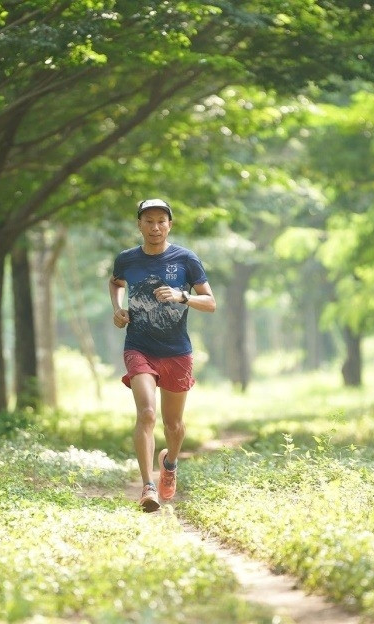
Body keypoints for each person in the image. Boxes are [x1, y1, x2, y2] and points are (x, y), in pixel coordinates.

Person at [109, 198, 216, 512]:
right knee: (147, 414)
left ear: (170, 224)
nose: (155, 227)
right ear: (139, 224)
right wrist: (118, 309)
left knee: (174, 425)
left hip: (176, 351)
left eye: (161, 221)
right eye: (148, 221)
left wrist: (182, 296)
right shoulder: (127, 259)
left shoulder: (185, 259)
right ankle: (148, 486)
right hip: (139, 346)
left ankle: (169, 464)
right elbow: (116, 282)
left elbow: (210, 302)